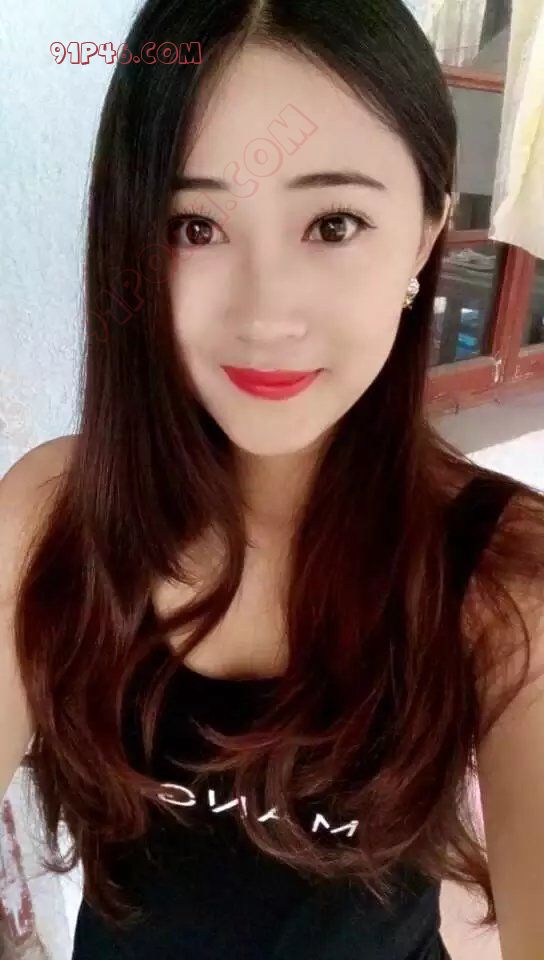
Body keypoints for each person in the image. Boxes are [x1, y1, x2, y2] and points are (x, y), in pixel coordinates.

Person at [1, 1, 544, 958]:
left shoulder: (504, 576)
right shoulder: (56, 517)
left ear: (426, 232)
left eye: (333, 223)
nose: (264, 314)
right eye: (195, 225)